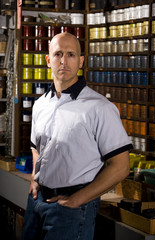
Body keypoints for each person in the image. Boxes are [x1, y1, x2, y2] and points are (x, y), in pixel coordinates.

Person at [22, 32, 132, 240]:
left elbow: (121, 166)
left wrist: (77, 200)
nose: (63, 61)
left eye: (71, 55)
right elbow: (36, 147)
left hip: (71, 208)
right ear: (48, 60)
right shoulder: (41, 105)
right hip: (36, 202)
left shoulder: (99, 108)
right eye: (58, 54)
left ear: (81, 61)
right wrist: (35, 181)